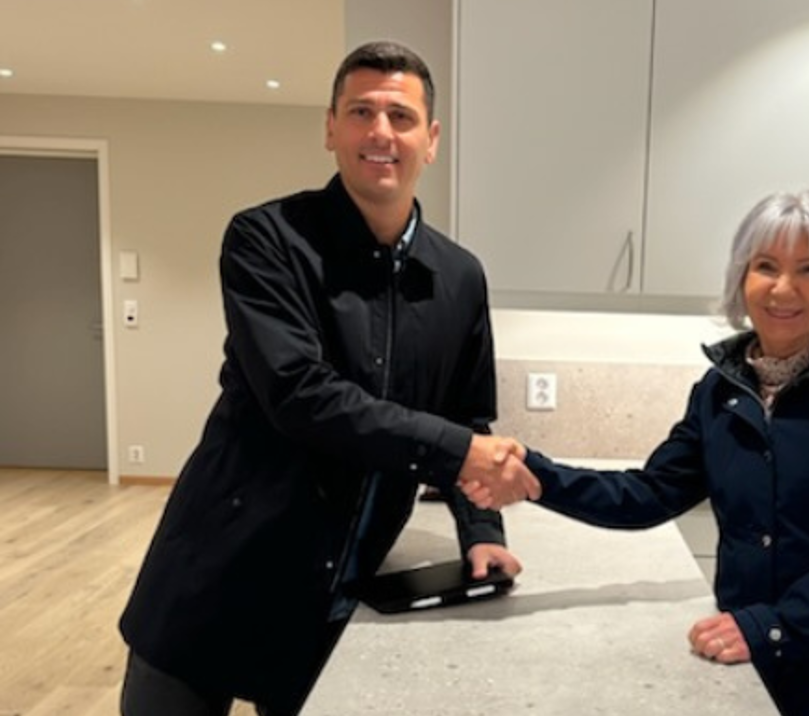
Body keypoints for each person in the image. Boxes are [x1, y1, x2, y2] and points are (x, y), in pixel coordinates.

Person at [119, 40, 538, 716]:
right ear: (330, 128)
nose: (380, 132)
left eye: (401, 116)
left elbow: (467, 416)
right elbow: (299, 394)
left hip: (335, 593)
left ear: (431, 140)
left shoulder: (460, 278)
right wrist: (459, 449)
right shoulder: (266, 239)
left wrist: (482, 530)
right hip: (218, 573)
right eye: (360, 112)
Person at [468, 190, 809, 715]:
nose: (784, 288)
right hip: (753, 657)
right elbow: (649, 493)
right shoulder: (723, 392)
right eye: (766, 266)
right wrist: (537, 475)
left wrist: (772, 627)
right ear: (742, 277)